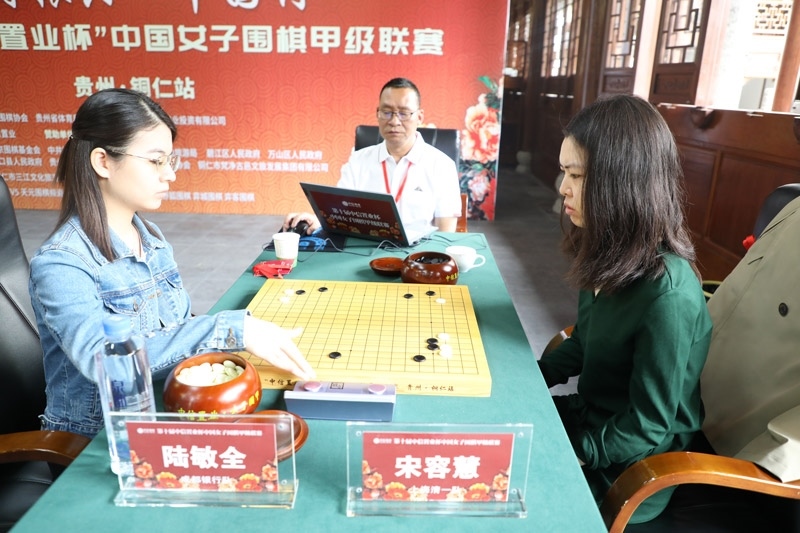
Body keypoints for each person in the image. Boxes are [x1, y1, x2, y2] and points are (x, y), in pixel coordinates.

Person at [29, 88, 315, 440]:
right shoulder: (61, 263)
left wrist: (239, 334)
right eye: (155, 161)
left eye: (170, 161)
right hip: (99, 441)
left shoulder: (150, 236)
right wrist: (228, 329)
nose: (170, 175)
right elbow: (101, 358)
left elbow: (174, 327)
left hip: (165, 407)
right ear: (102, 161)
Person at [537, 94, 712, 523]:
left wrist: (576, 453)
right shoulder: (607, 248)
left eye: (576, 175)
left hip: (631, 466)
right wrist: (530, 379)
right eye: (564, 172)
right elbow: (585, 341)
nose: (563, 188)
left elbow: (648, 424)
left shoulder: (667, 295)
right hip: (592, 419)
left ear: (622, 181)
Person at [283, 77, 462, 235]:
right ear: (378, 113)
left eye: (404, 113)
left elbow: (446, 233)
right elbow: (338, 213)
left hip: (418, 255)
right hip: (366, 250)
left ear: (420, 117)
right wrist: (316, 220)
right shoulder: (358, 161)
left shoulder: (442, 166)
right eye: (386, 112)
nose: (394, 121)